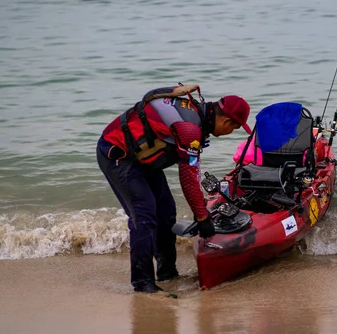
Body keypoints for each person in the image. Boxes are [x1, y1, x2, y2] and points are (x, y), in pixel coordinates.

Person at [96, 84, 251, 295]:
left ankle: (167, 273)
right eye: (233, 128)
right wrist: (202, 217)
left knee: (166, 212)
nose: (230, 132)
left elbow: (190, 171)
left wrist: (201, 213)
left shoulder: (197, 117)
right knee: (145, 215)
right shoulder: (189, 128)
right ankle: (143, 284)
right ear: (226, 121)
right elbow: (189, 177)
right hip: (118, 155)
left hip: (144, 161)